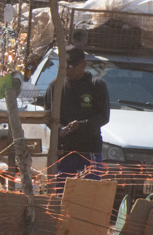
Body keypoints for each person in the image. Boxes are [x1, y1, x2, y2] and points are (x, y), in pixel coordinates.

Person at [46, 47, 110, 177]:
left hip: (89, 150)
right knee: (62, 191)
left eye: (72, 67)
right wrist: (60, 129)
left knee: (89, 191)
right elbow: (49, 116)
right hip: (64, 151)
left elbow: (103, 117)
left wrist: (80, 125)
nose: (68, 70)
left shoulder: (96, 85)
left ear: (83, 64)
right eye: (65, 67)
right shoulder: (55, 86)